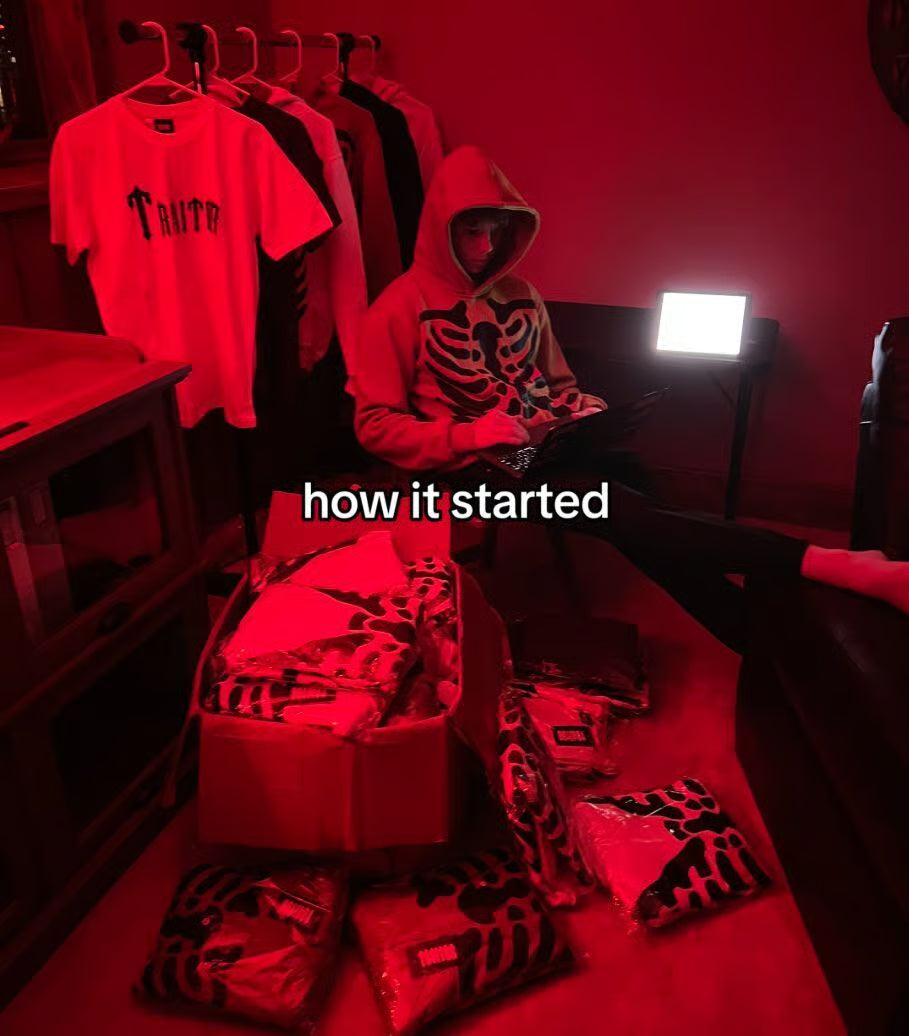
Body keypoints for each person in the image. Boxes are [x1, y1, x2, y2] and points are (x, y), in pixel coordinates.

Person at [353, 146, 909, 650]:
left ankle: (760, 634)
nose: (486, 247)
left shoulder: (521, 295)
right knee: (620, 508)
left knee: (646, 497)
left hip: (541, 447)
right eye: (471, 231)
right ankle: (829, 568)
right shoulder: (397, 309)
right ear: (442, 229)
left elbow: (559, 384)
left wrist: (581, 408)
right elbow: (373, 424)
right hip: (466, 473)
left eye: (497, 231)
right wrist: (465, 434)